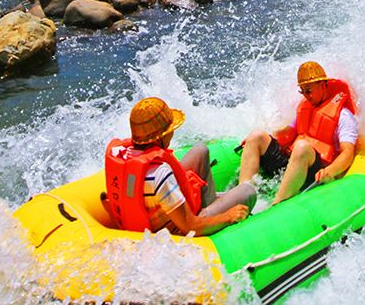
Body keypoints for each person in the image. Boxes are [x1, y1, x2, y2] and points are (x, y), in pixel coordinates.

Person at [102, 97, 255, 236]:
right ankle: (213, 209)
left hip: (147, 216)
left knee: (200, 150)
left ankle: (213, 201)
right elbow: (189, 226)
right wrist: (227, 216)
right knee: (247, 191)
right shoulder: (159, 173)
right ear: (162, 135)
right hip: (177, 228)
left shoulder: (122, 156)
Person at [238, 61, 359, 204]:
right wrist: (261, 141)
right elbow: (289, 133)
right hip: (294, 163)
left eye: (308, 90)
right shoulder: (305, 107)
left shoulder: (343, 116)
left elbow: (347, 153)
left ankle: (276, 204)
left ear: (323, 84)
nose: (306, 96)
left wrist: (330, 171)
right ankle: (242, 197)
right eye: (302, 91)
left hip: (315, 171)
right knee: (256, 136)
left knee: (301, 147)